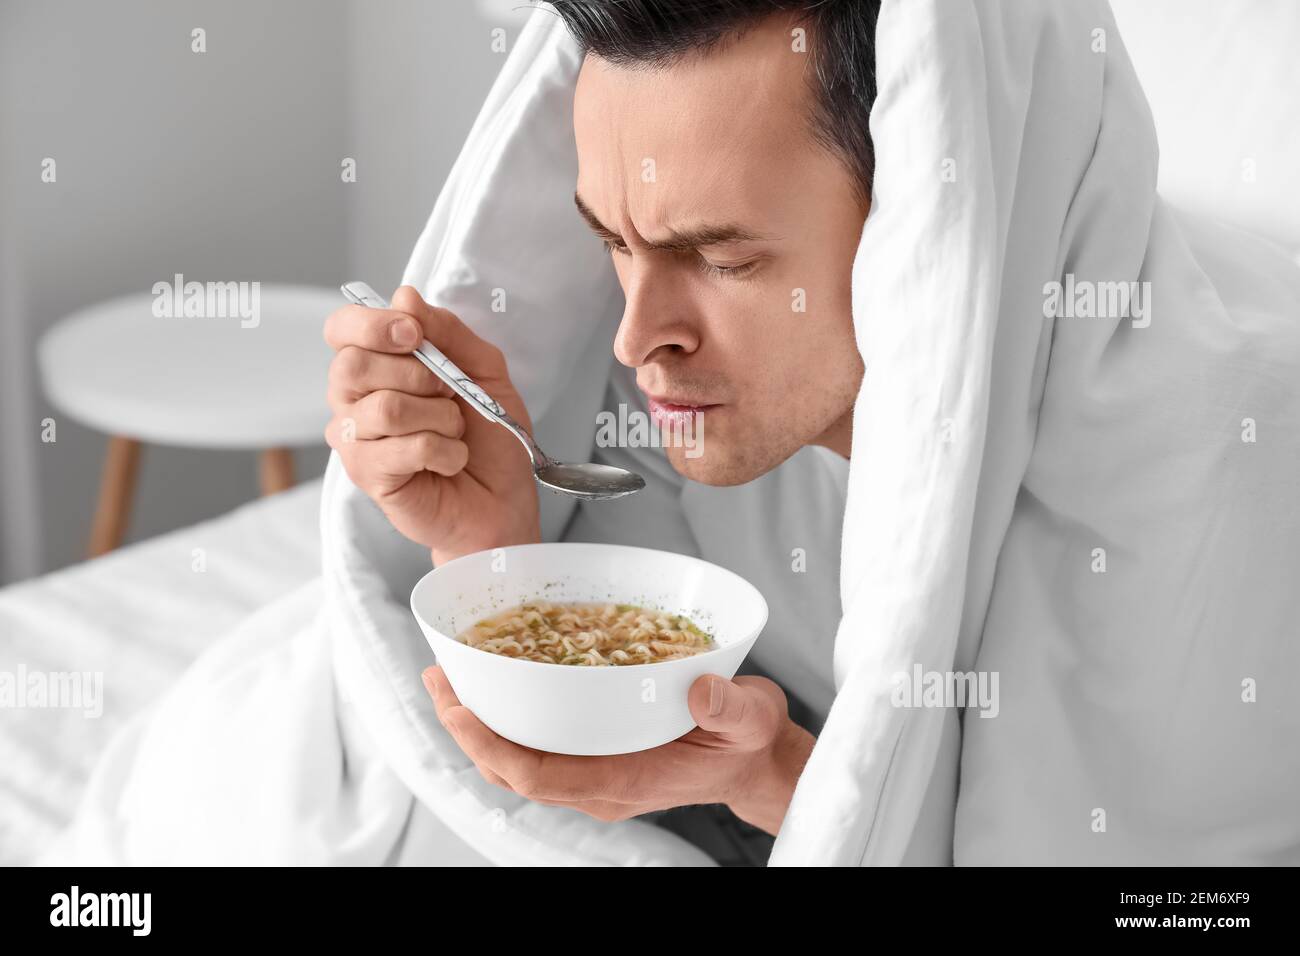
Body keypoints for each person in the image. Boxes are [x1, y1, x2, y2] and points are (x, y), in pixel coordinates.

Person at [323, 0, 880, 864]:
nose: (636, 335)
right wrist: (490, 542)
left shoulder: (1127, 521)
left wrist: (779, 779)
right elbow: (608, 682)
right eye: (615, 243)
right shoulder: (665, 414)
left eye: (722, 261)